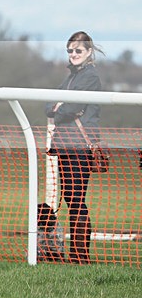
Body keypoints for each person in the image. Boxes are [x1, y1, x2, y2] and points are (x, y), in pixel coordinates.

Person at [45, 31, 103, 264]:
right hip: (65, 145)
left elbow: (70, 108)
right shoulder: (71, 77)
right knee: (70, 198)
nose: (73, 54)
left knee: (76, 200)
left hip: (79, 146)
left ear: (89, 51)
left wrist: (60, 108)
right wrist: (60, 107)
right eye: (70, 50)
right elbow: (49, 106)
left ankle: (80, 257)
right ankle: (76, 256)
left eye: (78, 50)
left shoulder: (90, 77)